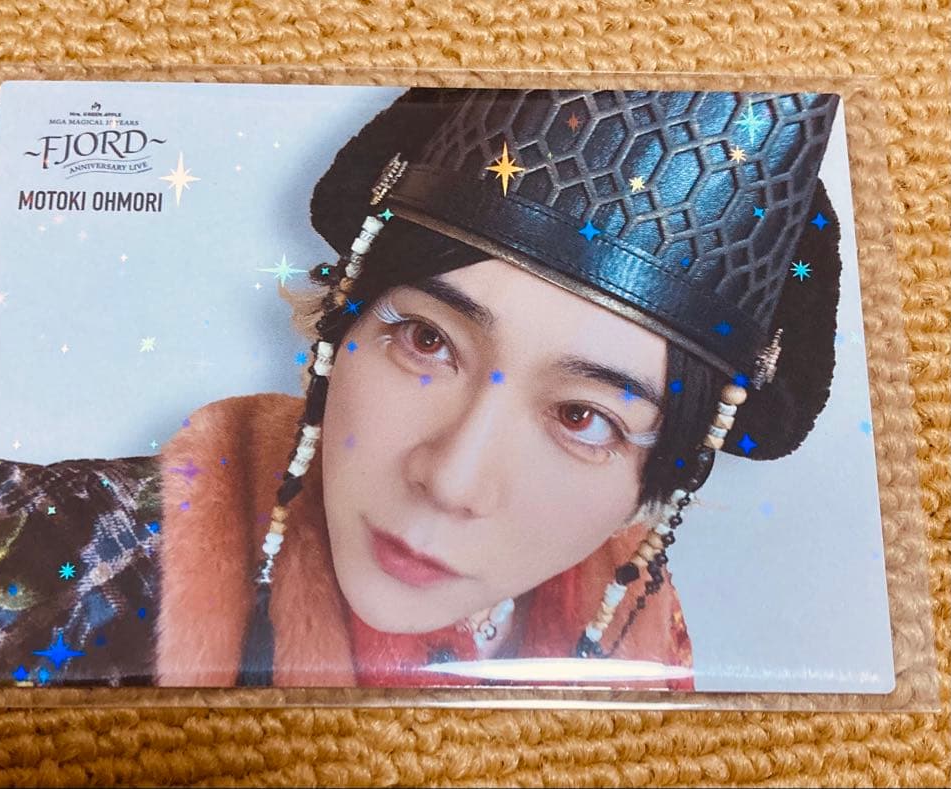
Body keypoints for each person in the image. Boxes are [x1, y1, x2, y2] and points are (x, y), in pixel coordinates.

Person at [152, 87, 844, 691]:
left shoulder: (648, 642)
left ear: (663, 475)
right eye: (427, 340)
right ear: (342, 323)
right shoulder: (105, 557)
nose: (451, 481)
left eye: (583, 416)